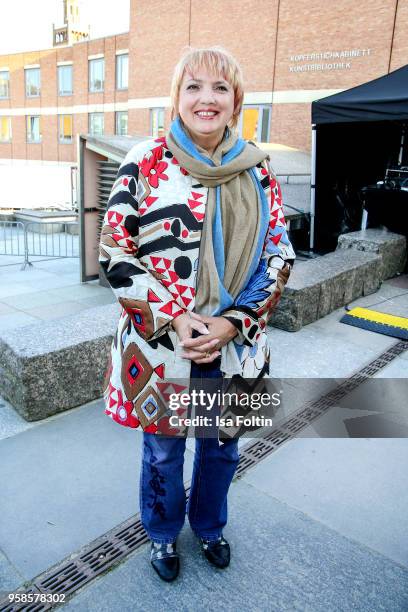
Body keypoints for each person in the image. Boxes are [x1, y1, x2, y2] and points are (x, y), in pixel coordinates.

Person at [99, 46, 296, 582]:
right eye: (194, 86)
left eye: (220, 88)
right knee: (163, 453)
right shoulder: (145, 161)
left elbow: (279, 256)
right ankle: (162, 536)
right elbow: (115, 250)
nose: (206, 98)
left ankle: (209, 526)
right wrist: (176, 318)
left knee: (221, 451)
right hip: (163, 347)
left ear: (236, 100)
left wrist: (232, 321)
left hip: (233, 345)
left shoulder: (259, 170)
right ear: (176, 97)